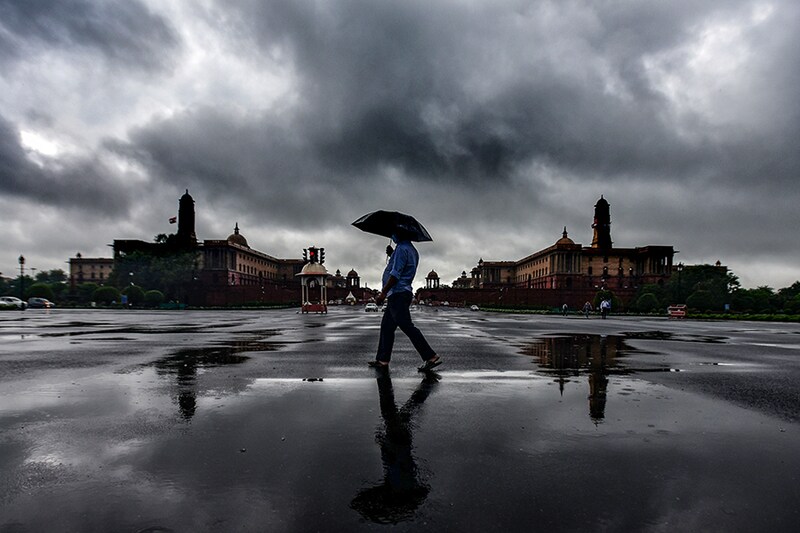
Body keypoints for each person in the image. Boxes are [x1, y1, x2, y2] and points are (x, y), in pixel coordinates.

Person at [369, 231, 441, 372]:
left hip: (398, 293)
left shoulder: (402, 249)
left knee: (407, 326)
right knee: (387, 327)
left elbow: (395, 274)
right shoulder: (411, 250)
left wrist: (383, 293)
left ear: (400, 234)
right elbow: (404, 265)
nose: (392, 236)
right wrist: (392, 254)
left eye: (394, 234)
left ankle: (430, 356)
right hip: (400, 293)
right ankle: (383, 359)